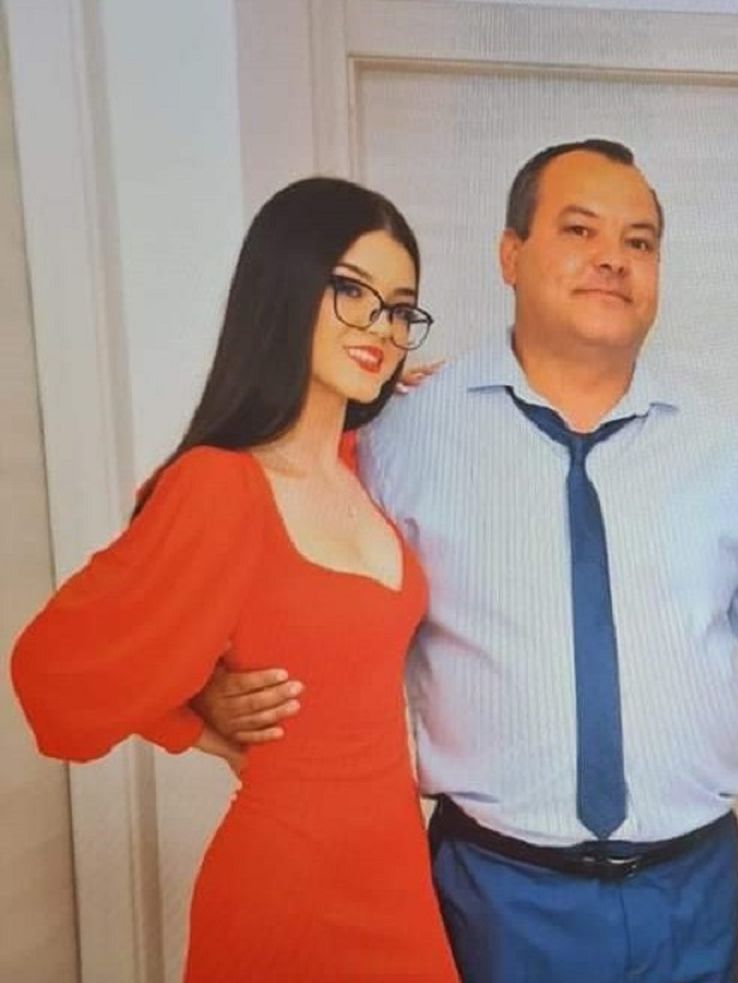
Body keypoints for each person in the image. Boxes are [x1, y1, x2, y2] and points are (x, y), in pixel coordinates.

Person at [197, 140, 738, 983]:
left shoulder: (726, 453)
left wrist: (728, 732)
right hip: (495, 893)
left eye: (639, 241)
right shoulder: (399, 437)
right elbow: (280, 584)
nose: (613, 258)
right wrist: (207, 689)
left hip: (690, 891)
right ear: (510, 255)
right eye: (580, 229)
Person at [10, 177, 460, 982]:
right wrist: (194, 712)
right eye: (352, 292)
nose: (381, 327)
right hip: (283, 889)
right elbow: (52, 671)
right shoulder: (220, 485)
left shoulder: (359, 469)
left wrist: (404, 404)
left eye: (398, 309)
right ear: (286, 283)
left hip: (396, 879)